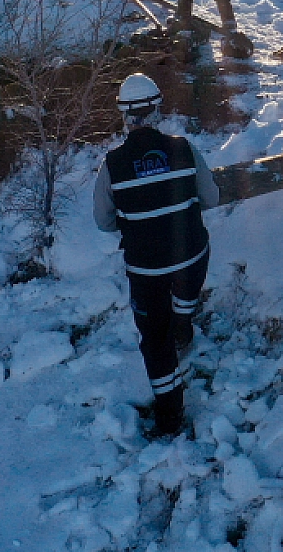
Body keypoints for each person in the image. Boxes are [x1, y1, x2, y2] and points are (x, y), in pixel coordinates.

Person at [93, 73, 219, 437]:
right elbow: (211, 197)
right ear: (157, 109)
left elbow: (104, 222)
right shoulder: (184, 148)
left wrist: (137, 217)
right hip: (193, 259)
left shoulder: (112, 165)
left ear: (124, 114)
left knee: (153, 338)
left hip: (146, 269)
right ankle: (183, 323)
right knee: (186, 281)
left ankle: (169, 414)